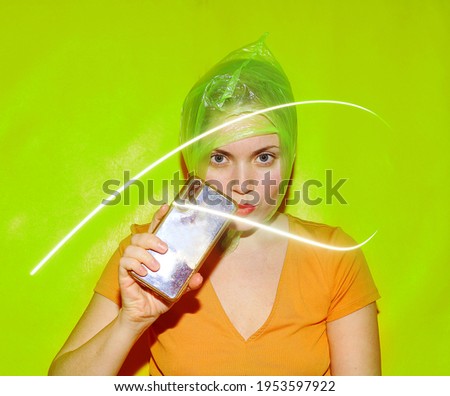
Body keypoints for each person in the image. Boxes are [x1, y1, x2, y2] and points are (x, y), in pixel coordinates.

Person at [49, 35, 381, 376]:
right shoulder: (150, 254)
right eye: (220, 157)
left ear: (290, 156)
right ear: (193, 162)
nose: (243, 183)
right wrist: (131, 321)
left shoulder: (335, 256)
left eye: (264, 157)